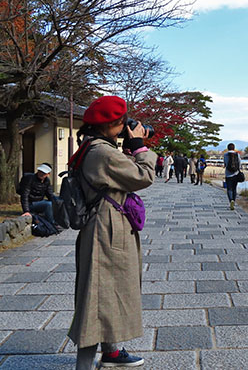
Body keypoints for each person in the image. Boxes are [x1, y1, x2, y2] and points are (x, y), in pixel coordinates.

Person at [67, 95, 156, 370]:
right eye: (122, 123)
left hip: (105, 226)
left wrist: (128, 149)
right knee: (96, 296)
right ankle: (84, 364)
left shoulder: (93, 147)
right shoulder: (102, 152)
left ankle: (111, 352)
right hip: (105, 230)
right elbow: (143, 177)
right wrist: (140, 148)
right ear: (111, 124)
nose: (125, 127)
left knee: (107, 291)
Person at [223, 143, 241, 210]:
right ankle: (234, 200)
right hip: (236, 174)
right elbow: (239, 163)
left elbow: (225, 163)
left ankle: (231, 200)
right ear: (234, 148)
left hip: (228, 174)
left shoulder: (225, 155)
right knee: (234, 188)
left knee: (229, 189)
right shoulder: (237, 154)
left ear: (228, 148)